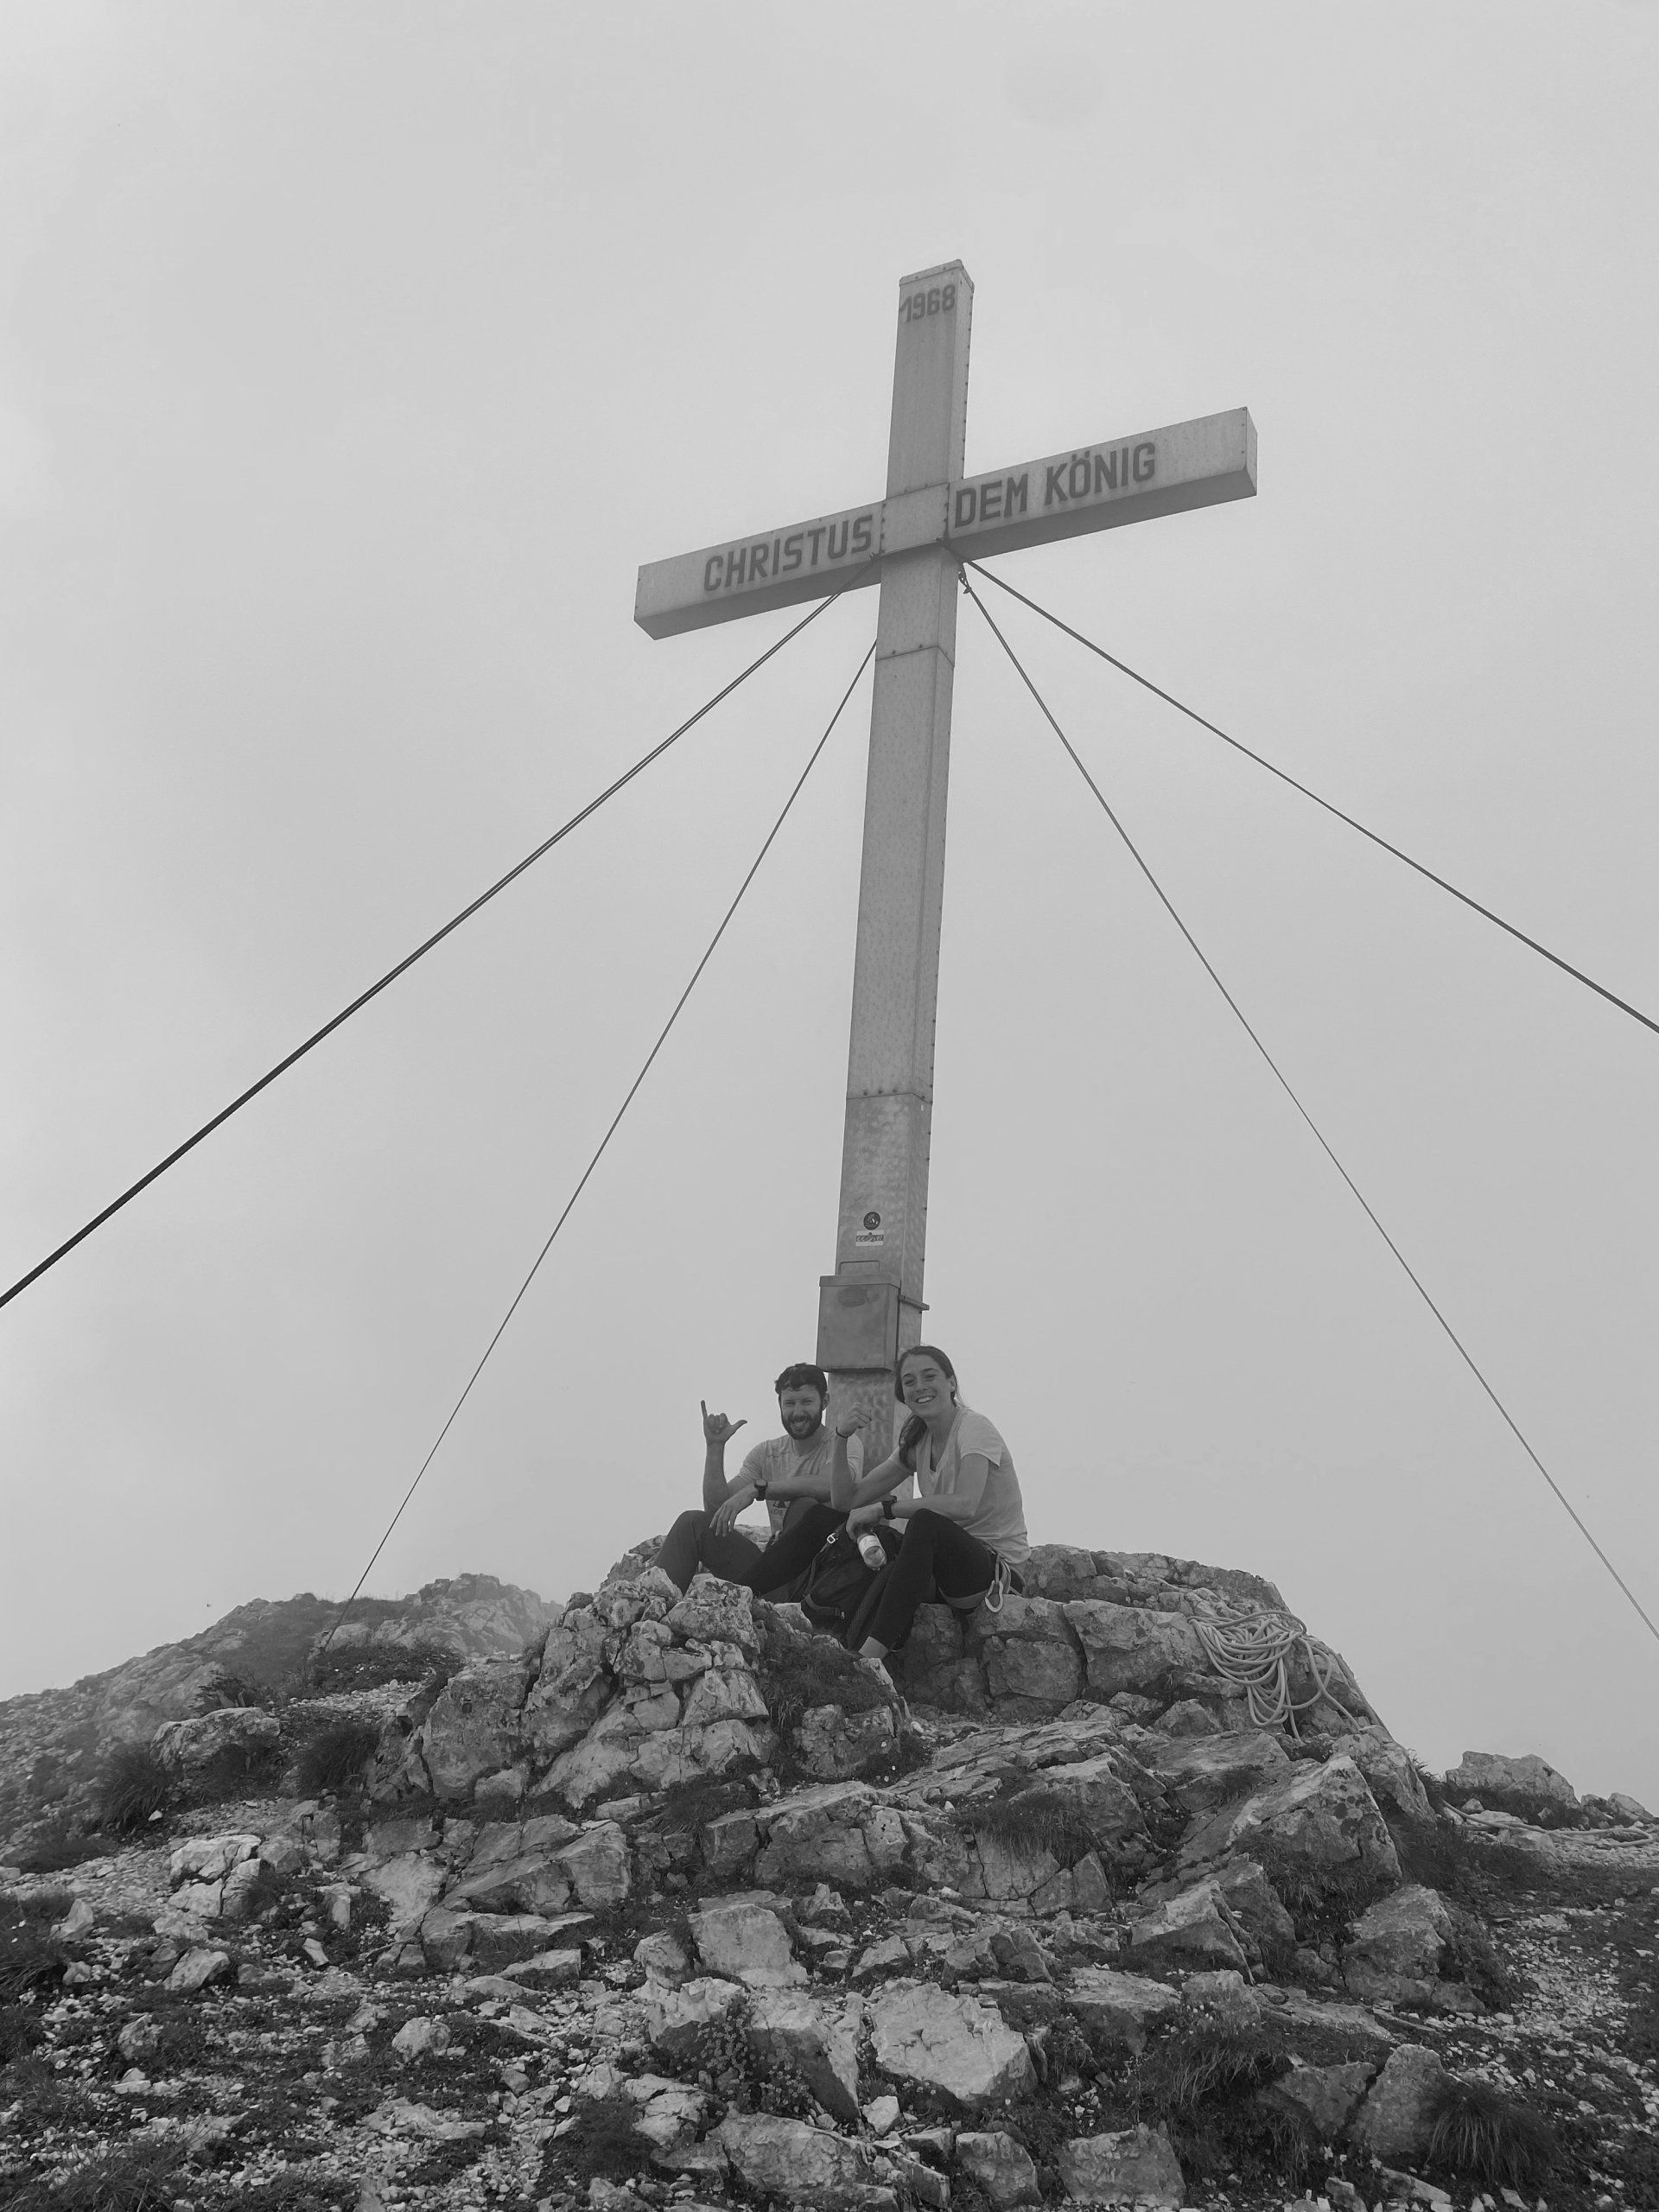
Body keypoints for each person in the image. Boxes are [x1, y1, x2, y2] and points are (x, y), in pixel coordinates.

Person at [830, 1343, 1027, 1661]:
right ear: (903, 1394)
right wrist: (840, 1437)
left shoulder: (974, 1428)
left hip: (992, 1573)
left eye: (929, 1376)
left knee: (924, 1522)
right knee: (852, 1531)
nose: (919, 1386)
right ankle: (769, 1603)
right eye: (909, 1381)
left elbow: (965, 1504)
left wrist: (885, 1508)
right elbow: (845, 1499)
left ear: (951, 1383)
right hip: (942, 1572)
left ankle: (868, 1658)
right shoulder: (918, 1441)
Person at [655, 1362, 869, 1599]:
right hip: (773, 1575)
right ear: (779, 1405)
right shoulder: (766, 1453)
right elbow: (718, 1510)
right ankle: (652, 1612)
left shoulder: (842, 1442)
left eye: (806, 1402)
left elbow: (830, 1486)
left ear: (824, 1402)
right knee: (692, 1523)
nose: (797, 1412)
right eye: (789, 1403)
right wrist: (715, 1448)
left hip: (821, 1577)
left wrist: (760, 1490)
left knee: (805, 1507)